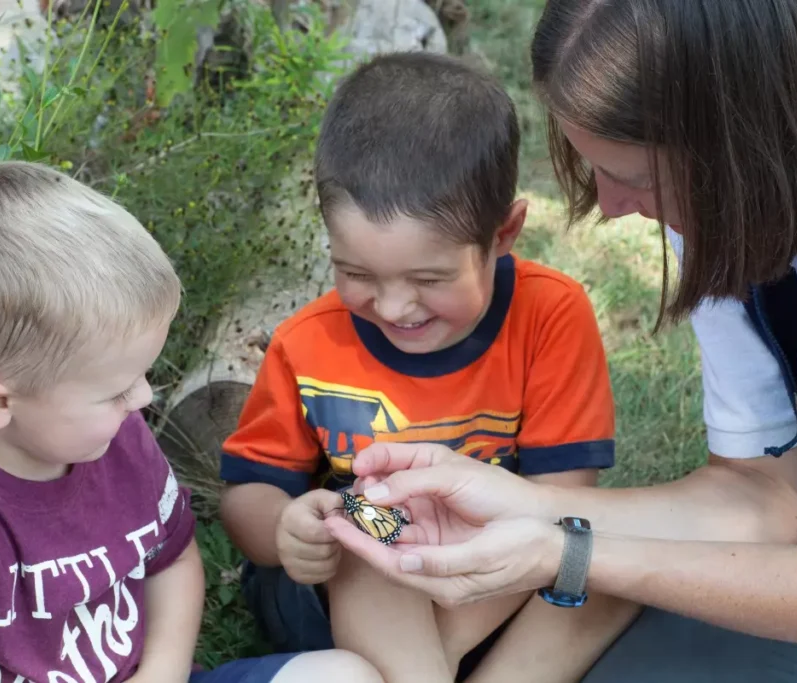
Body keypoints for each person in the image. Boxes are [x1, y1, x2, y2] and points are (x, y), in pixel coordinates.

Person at [323, 1, 797, 681]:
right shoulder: (737, 191)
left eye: (638, 179)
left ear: (756, 140)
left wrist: (570, 552)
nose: (609, 205)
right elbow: (768, 490)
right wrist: (528, 506)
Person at [218, 52, 638, 683]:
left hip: (496, 578)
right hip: (341, 596)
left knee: (611, 562)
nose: (391, 305)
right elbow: (248, 491)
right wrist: (284, 528)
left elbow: (560, 505)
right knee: (368, 522)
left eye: (429, 277)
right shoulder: (306, 343)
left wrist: (456, 582)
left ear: (505, 234)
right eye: (356, 274)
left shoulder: (551, 315)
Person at [0, 161, 383, 683]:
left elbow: (172, 560)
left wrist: (162, 673)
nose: (142, 397)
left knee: (344, 675)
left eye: (140, 377)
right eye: (116, 390)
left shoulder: (113, 437)